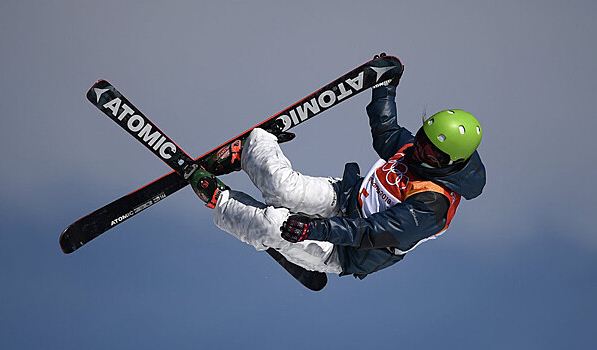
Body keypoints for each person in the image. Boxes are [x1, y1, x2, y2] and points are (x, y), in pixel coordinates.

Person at [187, 57, 486, 279]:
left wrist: (311, 229)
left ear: (451, 162)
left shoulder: (432, 205)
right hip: (344, 196)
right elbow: (387, 131)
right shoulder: (413, 151)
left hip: (347, 250)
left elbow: (369, 232)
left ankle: (219, 201)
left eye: (432, 153)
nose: (420, 152)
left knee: (273, 226)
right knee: (282, 188)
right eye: (422, 140)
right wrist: (385, 87)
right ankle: (250, 149)